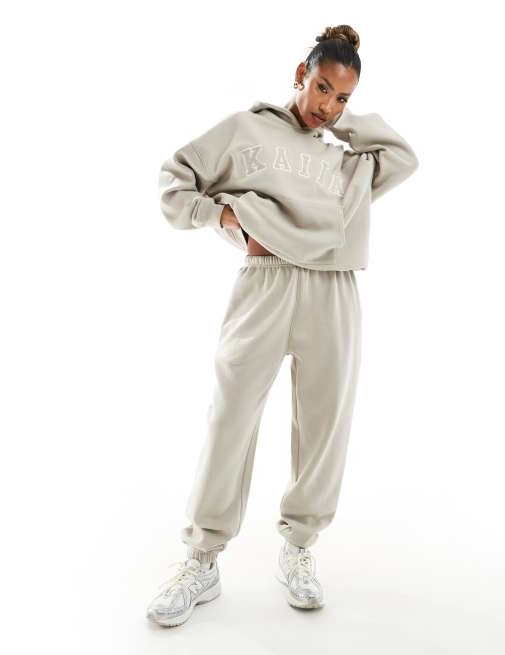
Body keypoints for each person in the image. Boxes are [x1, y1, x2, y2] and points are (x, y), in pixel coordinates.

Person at [146, 24, 419, 627]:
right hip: (264, 285)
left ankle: (298, 548)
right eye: (322, 88)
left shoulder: (346, 160)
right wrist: (223, 215)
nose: (328, 105)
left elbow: (404, 158)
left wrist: (343, 122)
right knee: (230, 417)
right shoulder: (246, 131)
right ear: (300, 74)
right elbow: (175, 179)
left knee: (323, 425)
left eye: (342, 97)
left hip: (332, 288)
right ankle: (201, 560)